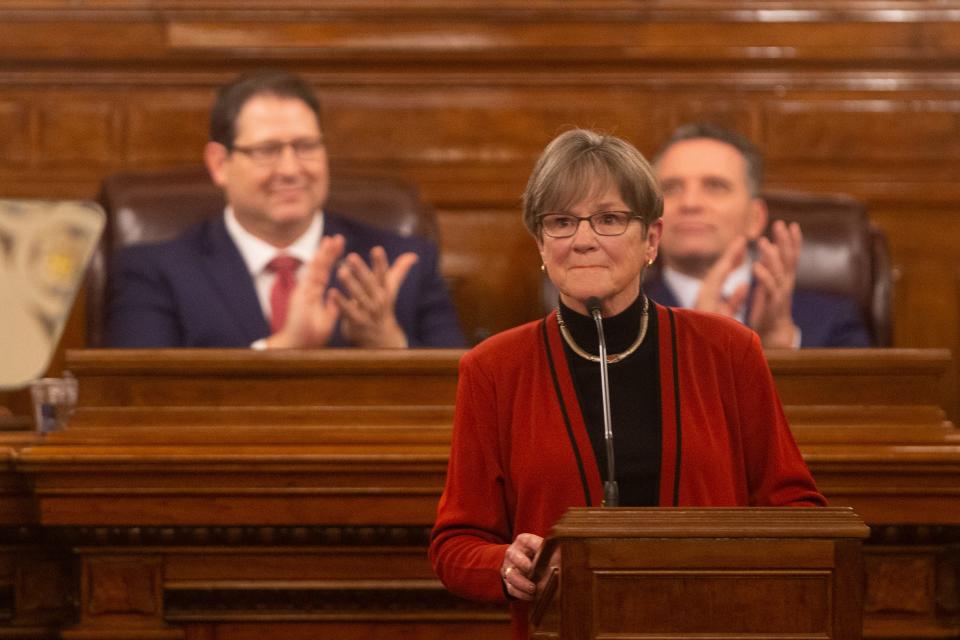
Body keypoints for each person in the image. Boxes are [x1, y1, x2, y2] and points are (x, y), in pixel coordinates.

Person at [429, 129, 826, 640]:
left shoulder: (729, 350)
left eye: (610, 219)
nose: (584, 239)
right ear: (542, 245)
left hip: (712, 624)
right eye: (561, 221)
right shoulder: (494, 369)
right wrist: (504, 564)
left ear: (651, 240)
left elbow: (798, 512)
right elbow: (456, 543)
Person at [105, 70, 464, 349]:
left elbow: (463, 398)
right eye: (267, 150)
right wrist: (282, 348)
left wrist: (389, 343)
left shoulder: (401, 263)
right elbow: (136, 401)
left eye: (306, 146)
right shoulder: (156, 272)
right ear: (219, 163)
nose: (291, 170)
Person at [647, 123, 871, 348]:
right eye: (671, 188)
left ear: (755, 218)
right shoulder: (619, 316)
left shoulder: (833, 321)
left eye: (715, 186)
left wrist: (781, 351)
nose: (690, 203)